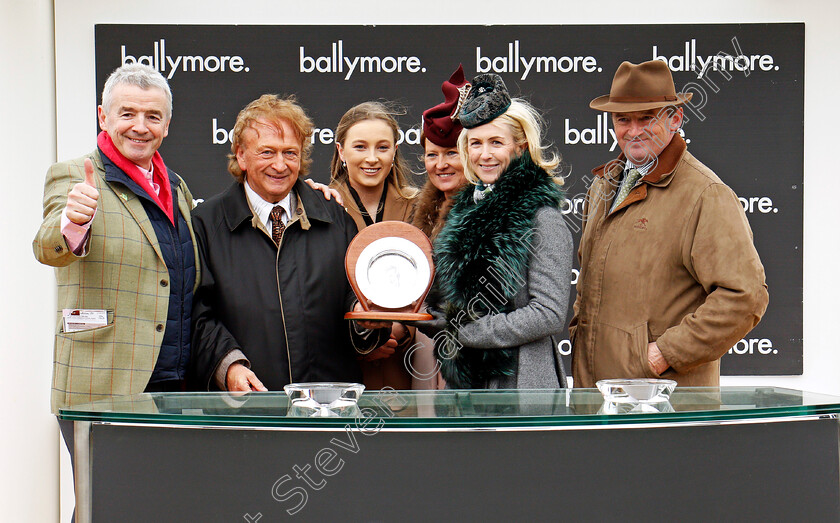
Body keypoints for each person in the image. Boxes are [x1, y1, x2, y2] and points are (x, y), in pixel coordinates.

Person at [33, 63, 197, 465]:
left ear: (167, 125)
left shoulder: (177, 187)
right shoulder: (73, 175)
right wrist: (72, 222)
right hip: (102, 382)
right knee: (104, 506)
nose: (140, 126)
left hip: (175, 385)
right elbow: (46, 246)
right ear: (103, 117)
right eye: (127, 113)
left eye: (152, 116)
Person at [569, 60, 769, 387]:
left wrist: (663, 355)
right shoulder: (603, 186)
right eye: (623, 119)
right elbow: (589, 284)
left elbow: (746, 296)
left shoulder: (705, 194)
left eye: (647, 117)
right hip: (597, 399)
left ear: (675, 119)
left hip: (665, 406)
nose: (634, 130)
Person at [190, 94, 388, 392]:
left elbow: (355, 299)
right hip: (247, 410)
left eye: (290, 153)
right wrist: (227, 365)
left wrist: (366, 320)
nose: (280, 165)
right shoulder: (204, 224)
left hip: (327, 409)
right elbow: (196, 314)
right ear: (241, 155)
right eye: (267, 152)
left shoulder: (336, 220)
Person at [419, 73, 573, 389]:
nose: (484, 155)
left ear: (521, 147)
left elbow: (548, 314)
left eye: (496, 142)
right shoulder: (463, 211)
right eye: (475, 143)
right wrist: (434, 314)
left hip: (520, 384)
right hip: (463, 383)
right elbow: (447, 301)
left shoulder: (543, 217)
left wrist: (469, 332)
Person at [329, 101, 419, 391]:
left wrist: (400, 328)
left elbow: (436, 288)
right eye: (360, 147)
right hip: (342, 375)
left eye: (382, 147)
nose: (372, 158)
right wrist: (361, 339)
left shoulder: (419, 208)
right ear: (341, 151)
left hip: (404, 370)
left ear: (394, 150)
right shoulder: (320, 207)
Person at [408, 65, 471, 390]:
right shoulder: (419, 211)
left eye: (451, 154)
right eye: (432, 155)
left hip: (468, 347)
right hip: (423, 343)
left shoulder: (482, 209)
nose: (440, 164)